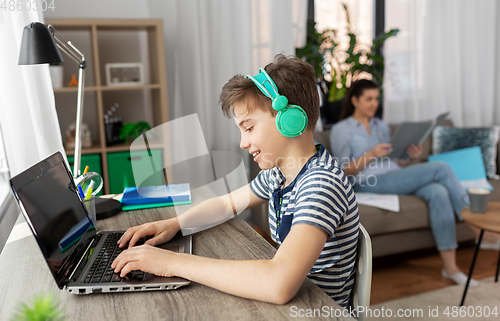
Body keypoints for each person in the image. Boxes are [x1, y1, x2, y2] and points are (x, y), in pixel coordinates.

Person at [111, 54, 359, 307]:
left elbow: (279, 284)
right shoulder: (280, 174)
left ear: (290, 121)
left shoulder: (321, 183)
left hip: (316, 310)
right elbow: (225, 204)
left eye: (249, 128)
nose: (243, 143)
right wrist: (175, 224)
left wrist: (172, 262)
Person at [329, 79, 500, 287]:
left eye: (376, 98)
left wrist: (411, 157)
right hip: (367, 181)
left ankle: (451, 268)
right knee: (441, 168)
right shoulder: (341, 130)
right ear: (355, 100)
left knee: (438, 191)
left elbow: (396, 161)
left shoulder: (380, 125)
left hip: (395, 175)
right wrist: (371, 153)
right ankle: (478, 230)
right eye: (369, 99)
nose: (374, 103)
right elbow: (343, 170)